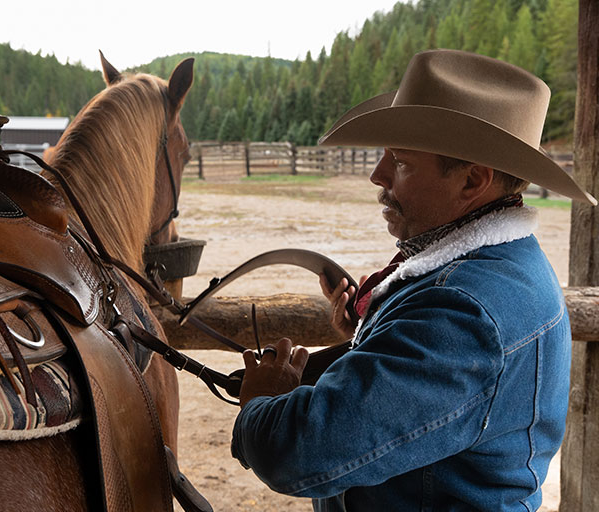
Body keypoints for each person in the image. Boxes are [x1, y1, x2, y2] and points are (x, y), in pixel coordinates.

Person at [231, 49, 597, 511]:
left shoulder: (464, 311)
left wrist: (263, 402)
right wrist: (373, 338)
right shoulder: (504, 267)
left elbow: (301, 453)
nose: (376, 175)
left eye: (400, 161)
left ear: (472, 181)